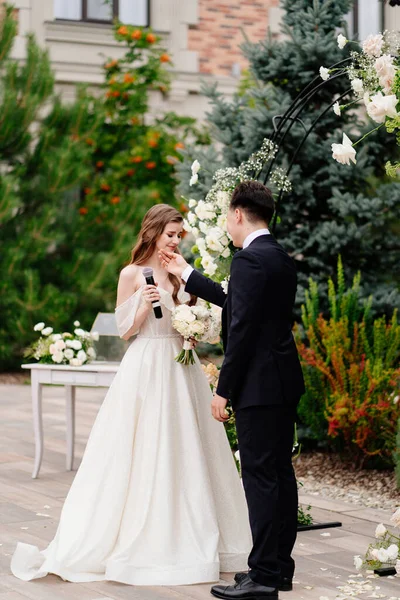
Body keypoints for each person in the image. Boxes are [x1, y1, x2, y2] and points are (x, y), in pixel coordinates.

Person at [11, 204, 251, 586]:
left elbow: (198, 314)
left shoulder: (179, 271)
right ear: (153, 232)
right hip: (147, 365)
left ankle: (198, 531)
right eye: (170, 234)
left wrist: (194, 326)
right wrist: (143, 302)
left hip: (182, 365)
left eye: (178, 235)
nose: (175, 241)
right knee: (144, 445)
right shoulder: (131, 273)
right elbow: (125, 331)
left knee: (189, 445)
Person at [159, 182, 305, 600]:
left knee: (260, 479)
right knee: (279, 474)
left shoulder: (248, 260)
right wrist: (186, 274)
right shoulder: (278, 256)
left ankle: (261, 577)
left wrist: (223, 390)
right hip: (283, 380)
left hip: (258, 385)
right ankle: (278, 569)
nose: (226, 223)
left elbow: (240, 329)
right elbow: (236, 302)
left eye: (227, 216)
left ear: (239, 214)